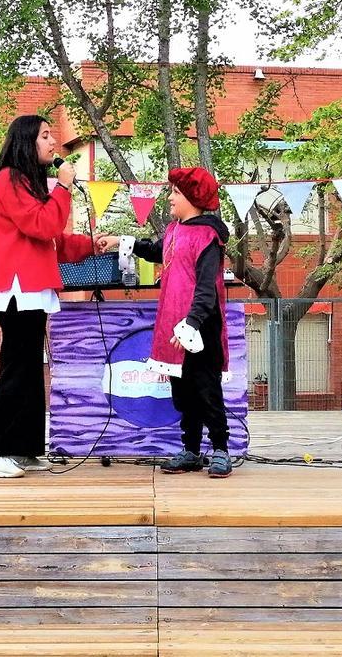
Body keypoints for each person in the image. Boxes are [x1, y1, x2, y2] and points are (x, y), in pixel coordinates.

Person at [0, 114, 96, 478]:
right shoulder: (9, 179)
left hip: (31, 287)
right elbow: (42, 225)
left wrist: (92, 244)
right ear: (27, 141)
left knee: (29, 369)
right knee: (18, 368)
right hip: (16, 289)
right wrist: (63, 188)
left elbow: (52, 239)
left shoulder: (28, 183)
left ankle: (23, 446)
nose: (53, 143)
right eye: (45, 136)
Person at [97, 167, 234, 478]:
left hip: (199, 326)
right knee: (183, 392)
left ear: (192, 197)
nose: (170, 197)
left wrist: (193, 322)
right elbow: (155, 249)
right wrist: (121, 241)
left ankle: (221, 450)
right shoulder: (174, 230)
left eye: (175, 192)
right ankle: (191, 450)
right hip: (172, 324)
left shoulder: (208, 236)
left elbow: (206, 286)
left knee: (206, 389)